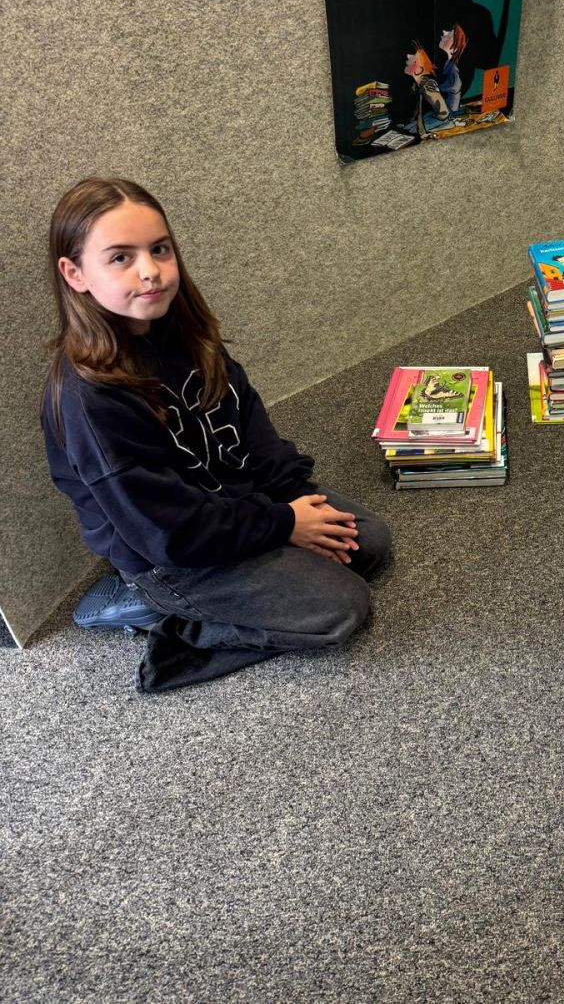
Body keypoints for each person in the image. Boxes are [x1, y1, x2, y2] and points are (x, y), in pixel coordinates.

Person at [43, 178, 391, 693]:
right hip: (169, 554)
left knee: (369, 544)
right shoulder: (89, 399)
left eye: (160, 249)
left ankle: (262, 561)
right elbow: (170, 533)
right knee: (342, 606)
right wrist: (284, 524)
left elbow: (254, 431)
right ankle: (163, 616)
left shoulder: (185, 333)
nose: (150, 270)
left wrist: (295, 499)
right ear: (75, 274)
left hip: (232, 506)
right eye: (120, 258)